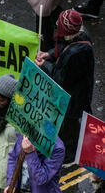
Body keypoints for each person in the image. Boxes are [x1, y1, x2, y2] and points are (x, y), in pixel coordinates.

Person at [34, 9, 94, 165]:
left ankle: (70, 155)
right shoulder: (79, 33)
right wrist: (49, 55)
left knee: (69, 125)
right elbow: (62, 47)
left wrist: (44, 64)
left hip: (74, 97)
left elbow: (59, 77)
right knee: (69, 124)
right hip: (77, 90)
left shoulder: (76, 53)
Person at [3, 134, 69, 193]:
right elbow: (13, 158)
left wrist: (30, 153)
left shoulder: (56, 147)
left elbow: (41, 178)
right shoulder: (25, 134)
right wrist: (11, 183)